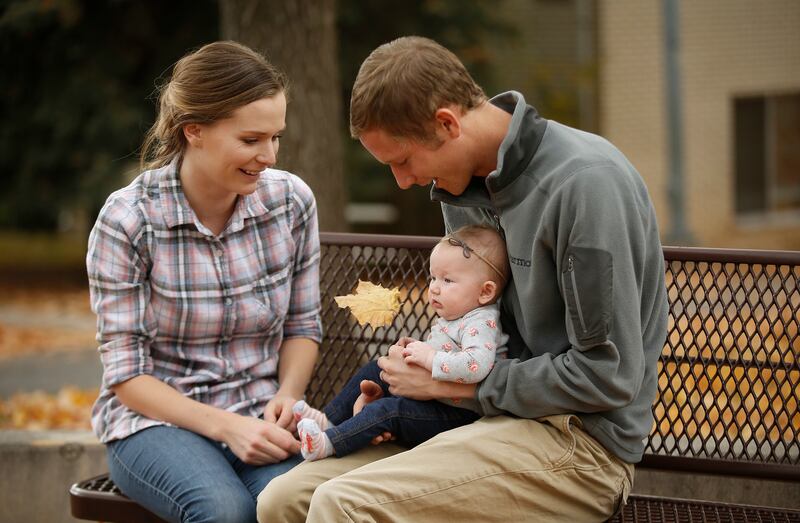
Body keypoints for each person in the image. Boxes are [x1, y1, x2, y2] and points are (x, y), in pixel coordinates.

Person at [258, 35, 669, 522]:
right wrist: (405, 399)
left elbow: (607, 376)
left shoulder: (586, 185)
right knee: (281, 502)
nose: (403, 181)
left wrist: (451, 387)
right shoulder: (462, 192)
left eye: (402, 160)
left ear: (447, 123)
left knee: (342, 505)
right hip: (483, 418)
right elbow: (482, 340)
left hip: (580, 445)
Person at [86, 41, 321, 523]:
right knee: (224, 511)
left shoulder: (291, 202)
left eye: (276, 137)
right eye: (251, 140)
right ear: (194, 131)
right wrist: (228, 427)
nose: (269, 155)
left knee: (303, 503)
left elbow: (302, 324)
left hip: (260, 412)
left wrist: (287, 395)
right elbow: (127, 376)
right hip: (153, 423)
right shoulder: (129, 220)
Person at [293, 225, 509, 461]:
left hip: (461, 414)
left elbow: (476, 365)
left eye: (447, 280)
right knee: (378, 368)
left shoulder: (481, 322)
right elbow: (447, 351)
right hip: (437, 400)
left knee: (389, 412)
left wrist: (429, 358)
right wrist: (415, 351)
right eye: (433, 277)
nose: (434, 287)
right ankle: (329, 420)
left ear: (485, 292)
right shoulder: (458, 314)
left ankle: (328, 443)